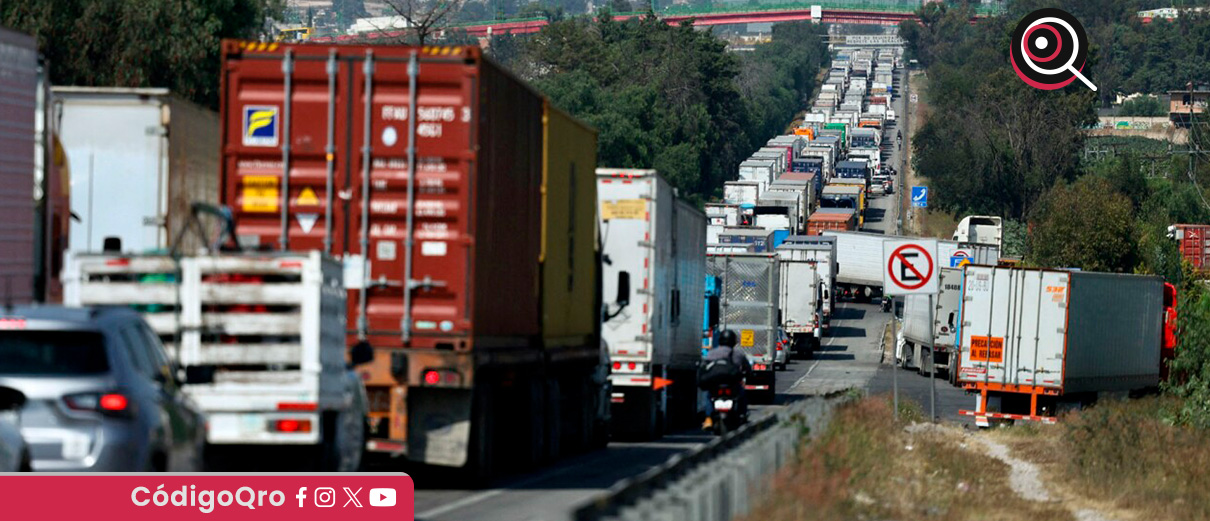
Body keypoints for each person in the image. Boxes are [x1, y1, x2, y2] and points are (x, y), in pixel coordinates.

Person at [700, 329, 752, 429]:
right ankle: (743, 415)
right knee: (742, 395)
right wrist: (748, 374)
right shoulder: (738, 354)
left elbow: (705, 367)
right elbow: (747, 369)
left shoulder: (712, 353)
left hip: (715, 385)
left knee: (709, 396)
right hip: (733, 385)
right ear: (733, 341)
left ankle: (708, 418)